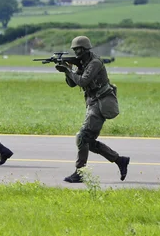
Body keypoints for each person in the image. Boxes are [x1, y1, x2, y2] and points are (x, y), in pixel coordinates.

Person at [54, 36, 130, 183]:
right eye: (74, 50)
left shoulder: (94, 63)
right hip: (93, 102)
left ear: (86, 49)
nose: (76, 52)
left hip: (101, 102)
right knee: (87, 139)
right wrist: (67, 70)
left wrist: (69, 71)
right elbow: (72, 84)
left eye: (78, 49)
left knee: (82, 137)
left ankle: (80, 173)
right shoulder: (84, 62)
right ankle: (119, 160)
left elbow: (82, 81)